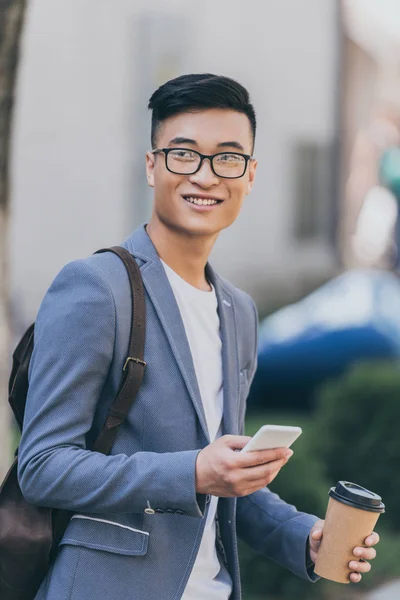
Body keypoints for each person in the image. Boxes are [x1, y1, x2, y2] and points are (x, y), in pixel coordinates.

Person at [17, 74, 379, 600]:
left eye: (227, 159)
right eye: (183, 154)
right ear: (152, 165)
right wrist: (192, 470)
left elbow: (224, 480)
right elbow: (43, 466)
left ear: (250, 175)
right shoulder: (98, 287)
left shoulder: (239, 311)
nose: (205, 176)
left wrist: (305, 538)